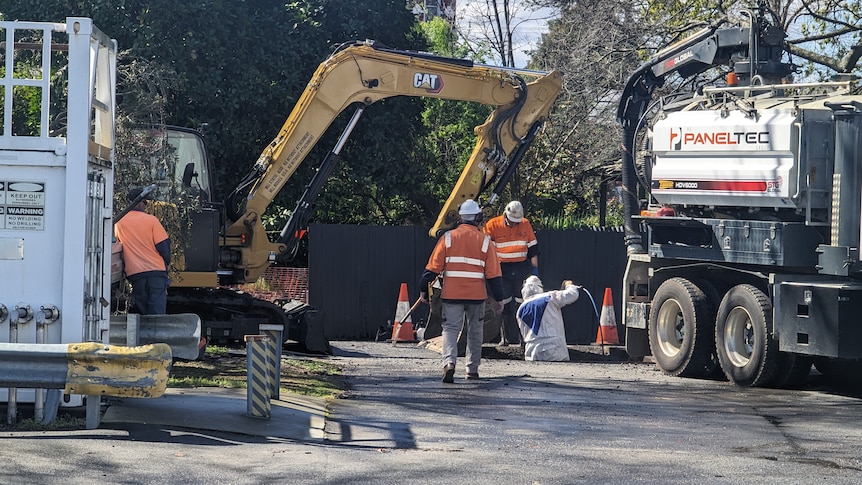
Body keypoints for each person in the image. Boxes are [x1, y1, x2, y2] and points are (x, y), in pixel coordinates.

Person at [420, 199, 505, 383]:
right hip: (476, 295)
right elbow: (493, 275)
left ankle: (449, 363)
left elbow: (432, 268)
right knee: (475, 330)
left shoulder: (448, 238)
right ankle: (472, 369)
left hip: (452, 294)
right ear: (478, 217)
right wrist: (499, 299)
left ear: (460, 217)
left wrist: (423, 290)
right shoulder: (485, 241)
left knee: (450, 329)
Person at [483, 200, 539, 345]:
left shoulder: (525, 224)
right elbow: (487, 251)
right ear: (505, 215)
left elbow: (532, 250)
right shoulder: (492, 225)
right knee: (503, 303)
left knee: (523, 303)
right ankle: (504, 338)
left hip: (521, 268)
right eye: (512, 221)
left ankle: (524, 340)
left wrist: (535, 271)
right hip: (502, 269)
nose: (514, 224)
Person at [114, 187, 171, 315]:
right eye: (145, 202)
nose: (146, 206)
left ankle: (144, 334)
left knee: (143, 312)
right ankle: (156, 334)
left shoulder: (119, 223)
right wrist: (166, 265)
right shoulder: (151, 220)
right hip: (156, 272)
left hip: (136, 274)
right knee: (157, 311)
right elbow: (164, 247)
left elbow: (118, 247)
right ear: (139, 202)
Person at [516, 276, 580, 362]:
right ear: (540, 287)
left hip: (532, 353)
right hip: (554, 351)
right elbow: (572, 295)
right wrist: (569, 285)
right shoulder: (549, 297)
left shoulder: (520, 310)